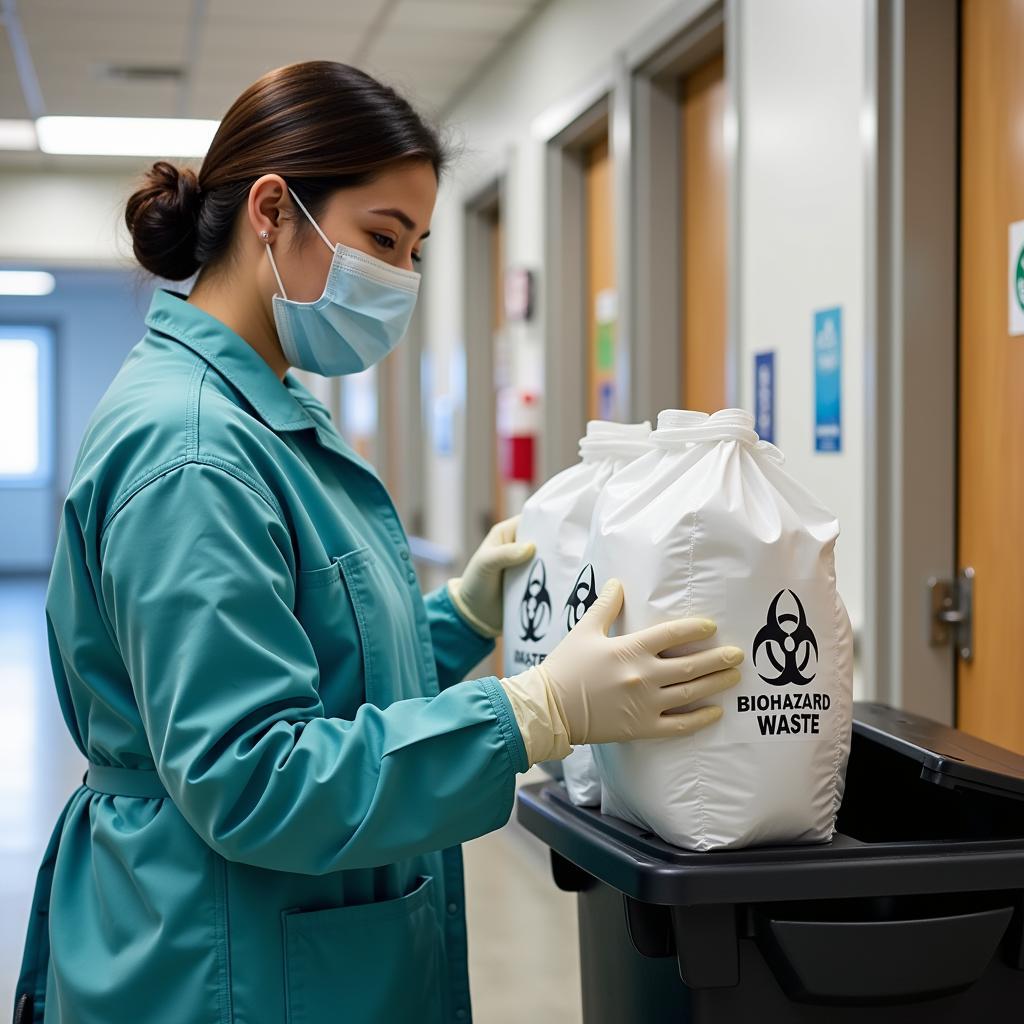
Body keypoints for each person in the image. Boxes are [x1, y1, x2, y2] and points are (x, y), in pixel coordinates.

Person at [13, 61, 743, 1024]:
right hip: (220, 955)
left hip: (271, 935)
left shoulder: (264, 412)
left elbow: (314, 660)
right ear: (272, 211)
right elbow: (251, 775)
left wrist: (461, 616)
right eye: (381, 239)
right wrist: (531, 714)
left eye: (417, 250)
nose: (400, 278)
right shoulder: (193, 449)